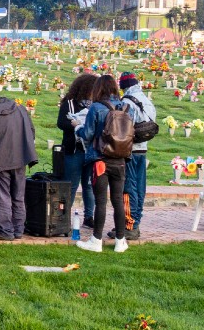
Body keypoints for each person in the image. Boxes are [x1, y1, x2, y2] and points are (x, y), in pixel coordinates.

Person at [74, 75, 129, 253]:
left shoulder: (96, 108)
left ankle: (96, 239)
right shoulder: (124, 107)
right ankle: (121, 240)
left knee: (101, 201)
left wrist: (77, 127)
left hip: (101, 159)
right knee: (118, 200)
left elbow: (88, 134)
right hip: (120, 159)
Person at [0, 86, 38, 241]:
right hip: (20, 160)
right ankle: (18, 230)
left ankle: (5, 231)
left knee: (1, 197)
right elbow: (31, 131)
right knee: (18, 196)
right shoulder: (20, 108)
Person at [112, 72, 156, 241]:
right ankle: (135, 223)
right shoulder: (146, 100)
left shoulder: (127, 102)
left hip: (130, 150)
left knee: (128, 189)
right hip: (143, 149)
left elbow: (122, 127)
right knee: (139, 188)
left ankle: (129, 226)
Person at [57, 74, 97, 230]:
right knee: (71, 185)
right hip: (74, 150)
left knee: (89, 185)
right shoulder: (69, 103)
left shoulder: (95, 104)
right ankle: (64, 217)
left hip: (90, 151)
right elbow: (61, 123)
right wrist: (76, 125)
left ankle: (89, 216)